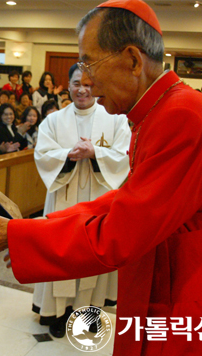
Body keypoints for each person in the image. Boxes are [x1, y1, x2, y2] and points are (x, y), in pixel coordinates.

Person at [0, 0, 202, 356]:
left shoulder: (182, 115)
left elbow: (121, 232)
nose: (88, 83)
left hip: (191, 297)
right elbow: (126, 197)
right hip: (173, 282)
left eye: (90, 63)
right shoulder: (163, 108)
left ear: (132, 60)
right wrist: (35, 227)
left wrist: (21, 235)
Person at [32, 63, 131, 338]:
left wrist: (96, 153)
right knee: (62, 251)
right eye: (77, 83)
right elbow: (42, 155)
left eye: (88, 84)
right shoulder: (53, 120)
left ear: (96, 86)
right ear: (69, 85)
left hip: (100, 199)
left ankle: (88, 311)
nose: (82, 89)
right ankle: (58, 311)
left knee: (92, 253)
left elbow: (125, 155)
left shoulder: (115, 119)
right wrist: (68, 155)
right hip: (64, 196)